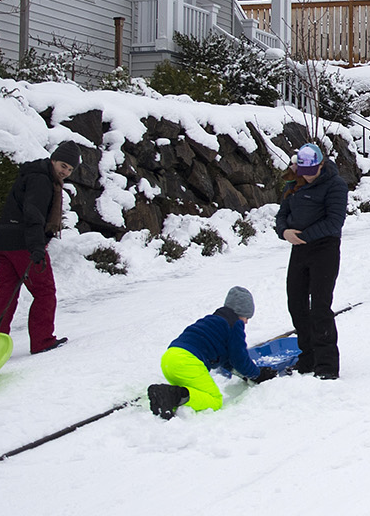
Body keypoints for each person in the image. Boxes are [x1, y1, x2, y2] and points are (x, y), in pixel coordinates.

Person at [0, 139, 81, 355]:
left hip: (3, 242)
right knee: (45, 291)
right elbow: (33, 214)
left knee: (7, 291)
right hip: (23, 244)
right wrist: (37, 247)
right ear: (53, 160)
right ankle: (42, 340)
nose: (65, 171)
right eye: (63, 165)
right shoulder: (42, 180)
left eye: (70, 169)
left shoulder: (33, 174)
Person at [276, 142, 348, 379]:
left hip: (324, 249)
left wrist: (303, 236)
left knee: (320, 306)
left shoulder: (335, 185)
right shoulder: (293, 183)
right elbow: (282, 215)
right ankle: (307, 358)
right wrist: (284, 231)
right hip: (298, 249)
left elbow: (334, 222)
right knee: (296, 304)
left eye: (310, 173)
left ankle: (327, 365)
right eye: (302, 173)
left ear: (320, 165)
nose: (306, 178)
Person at [147, 287, 268, 419]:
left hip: (169, 359)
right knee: (214, 400)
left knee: (196, 392)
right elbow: (239, 357)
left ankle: (168, 396)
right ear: (240, 312)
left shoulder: (213, 321)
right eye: (246, 317)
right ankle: (174, 395)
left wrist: (245, 376)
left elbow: (228, 360)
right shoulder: (235, 325)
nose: (246, 322)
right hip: (187, 362)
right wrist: (257, 374)